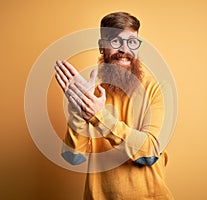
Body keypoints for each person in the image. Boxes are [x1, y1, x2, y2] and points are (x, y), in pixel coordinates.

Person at [55, 12, 174, 200]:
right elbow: (73, 157)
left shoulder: (157, 89)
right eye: (116, 42)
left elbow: (149, 153)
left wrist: (98, 116)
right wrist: (78, 107)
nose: (124, 50)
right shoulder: (91, 95)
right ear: (102, 47)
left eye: (132, 42)